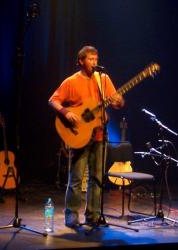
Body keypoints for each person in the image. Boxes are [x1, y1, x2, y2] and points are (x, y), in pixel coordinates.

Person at [48, 45, 124, 227]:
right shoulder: (71, 81)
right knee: (76, 178)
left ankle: (93, 216)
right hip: (79, 136)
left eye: (96, 59)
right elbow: (53, 100)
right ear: (81, 61)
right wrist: (66, 113)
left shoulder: (103, 79)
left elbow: (117, 102)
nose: (94, 62)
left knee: (97, 179)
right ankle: (72, 215)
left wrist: (118, 100)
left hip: (100, 135)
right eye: (90, 59)